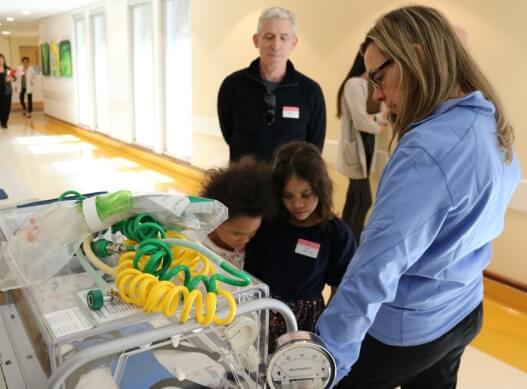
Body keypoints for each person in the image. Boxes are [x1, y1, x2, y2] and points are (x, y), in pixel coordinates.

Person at [315, 5, 521, 388]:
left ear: (418, 56)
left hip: (411, 327)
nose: (377, 94)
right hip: (464, 309)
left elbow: (375, 268)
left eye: (379, 76)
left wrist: (327, 356)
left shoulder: (427, 151)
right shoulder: (490, 119)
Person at [245, 141, 356, 351]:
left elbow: (340, 287)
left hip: (306, 321)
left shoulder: (336, 234)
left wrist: (329, 328)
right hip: (260, 310)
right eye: (288, 196)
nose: (297, 204)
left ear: (321, 189)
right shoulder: (267, 222)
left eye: (306, 194)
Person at [217, 6, 326, 162]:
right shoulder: (232, 86)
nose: (276, 45)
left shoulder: (310, 91)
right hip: (244, 182)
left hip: (289, 184)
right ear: (256, 40)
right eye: (269, 37)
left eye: (283, 38)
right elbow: (229, 134)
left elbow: (314, 149)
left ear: (293, 43)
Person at [336, 44, 389, 242]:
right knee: (364, 199)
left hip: (367, 149)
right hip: (355, 150)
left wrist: (375, 120)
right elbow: (360, 121)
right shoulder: (354, 84)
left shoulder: (375, 84)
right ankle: (352, 243)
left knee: (354, 199)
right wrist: (378, 123)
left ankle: (344, 242)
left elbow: (380, 116)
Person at [200, 157, 273, 269]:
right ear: (214, 219)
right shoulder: (197, 243)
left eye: (252, 232)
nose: (245, 240)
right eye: (236, 234)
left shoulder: (254, 241)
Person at [0, 54, 14, 129]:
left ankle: (4, 122)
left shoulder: (8, 69)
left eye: (2, 59)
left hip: (6, 91)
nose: (0, 61)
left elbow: (14, 78)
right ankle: (1, 120)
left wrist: (11, 79)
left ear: (4, 60)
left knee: (6, 107)